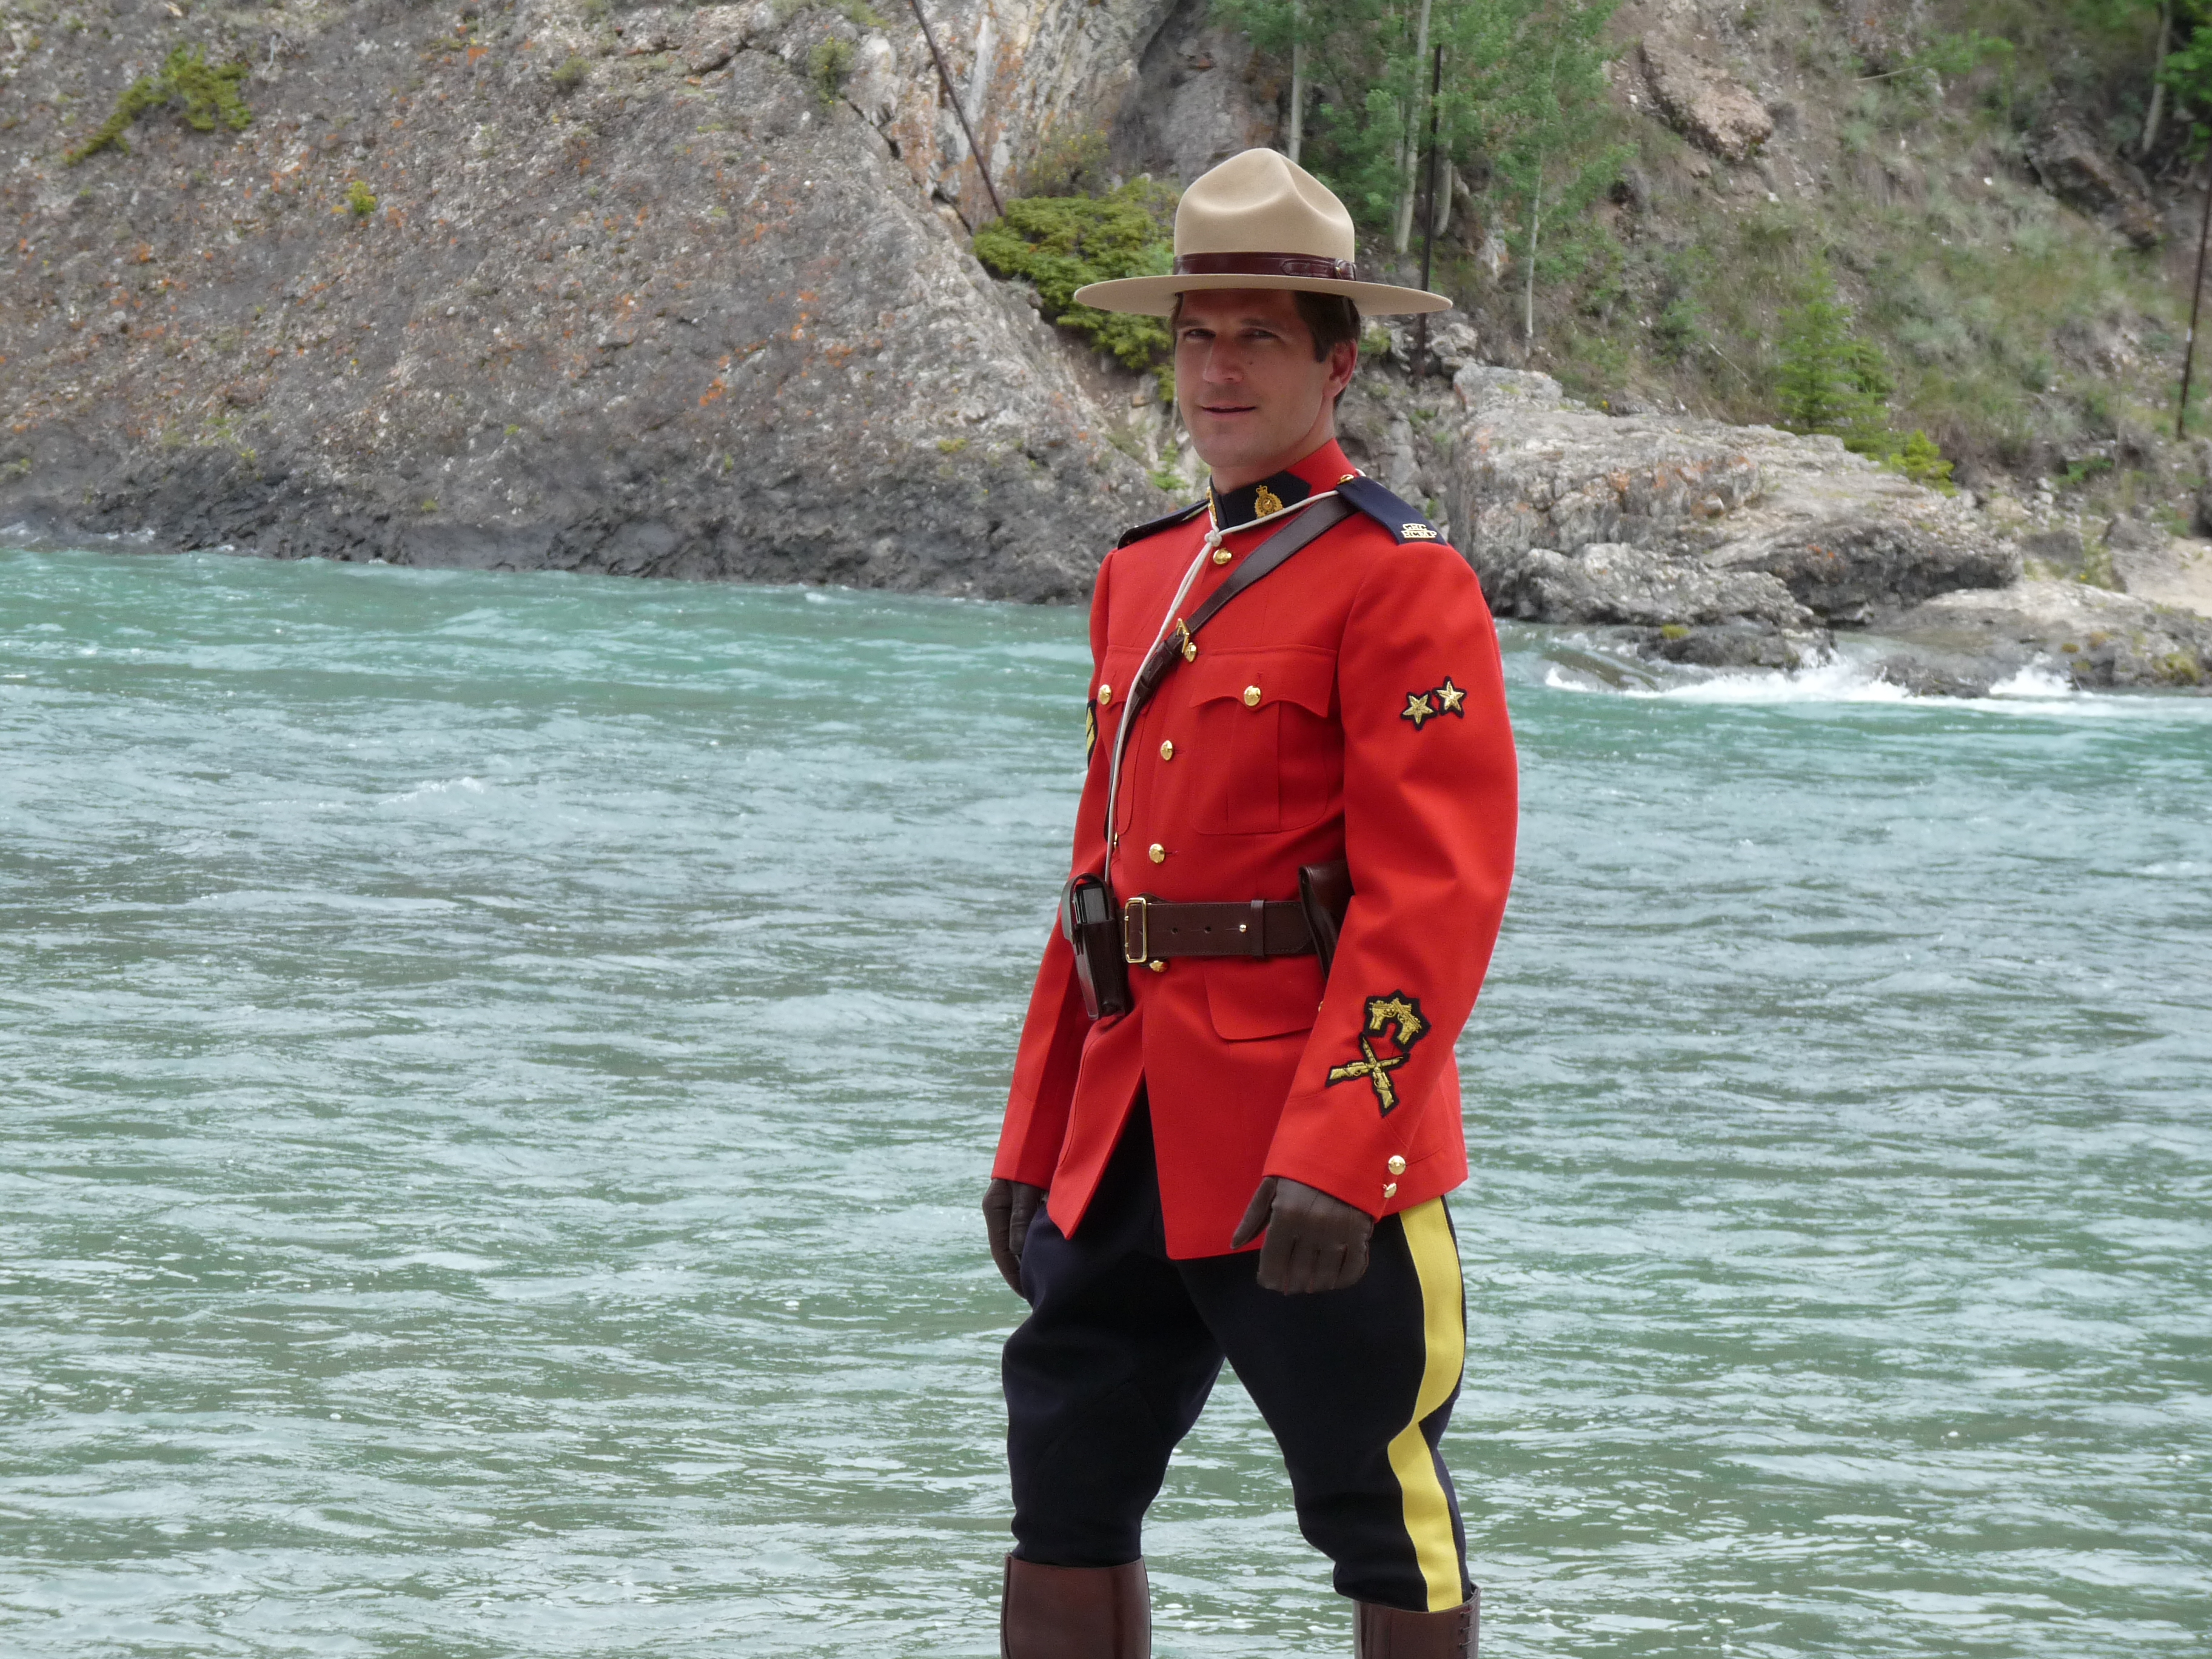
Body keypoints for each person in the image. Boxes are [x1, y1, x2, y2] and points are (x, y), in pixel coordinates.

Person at [981, 147, 1519, 1659]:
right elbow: (1098, 885)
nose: (1218, 368)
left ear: (1336, 362)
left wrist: (1349, 1149)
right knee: (1064, 1482)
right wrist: (1035, 1138)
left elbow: (1436, 893)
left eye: (1259, 337)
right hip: (1128, 1119)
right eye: (1195, 336)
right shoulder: (1141, 571)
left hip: (1300, 1122)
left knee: (1377, 1500)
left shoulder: (1401, 581)